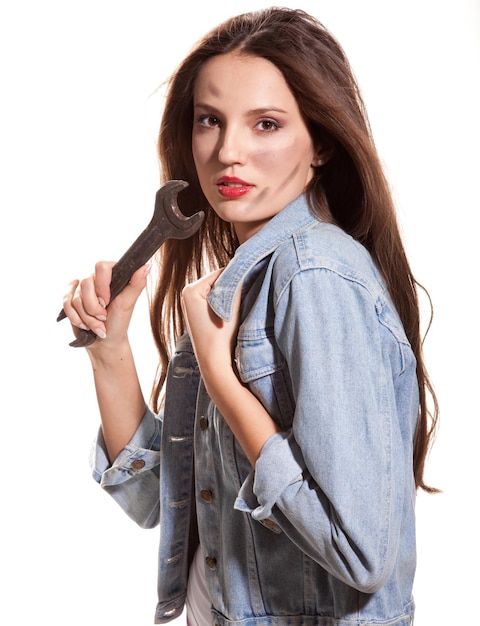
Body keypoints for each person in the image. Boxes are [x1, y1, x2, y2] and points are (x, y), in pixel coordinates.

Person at [62, 7, 439, 626]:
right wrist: (111, 348)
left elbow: (362, 552)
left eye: (266, 124)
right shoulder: (248, 277)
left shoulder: (312, 275)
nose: (228, 151)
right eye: (209, 120)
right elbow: (155, 502)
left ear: (319, 143)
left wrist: (225, 384)